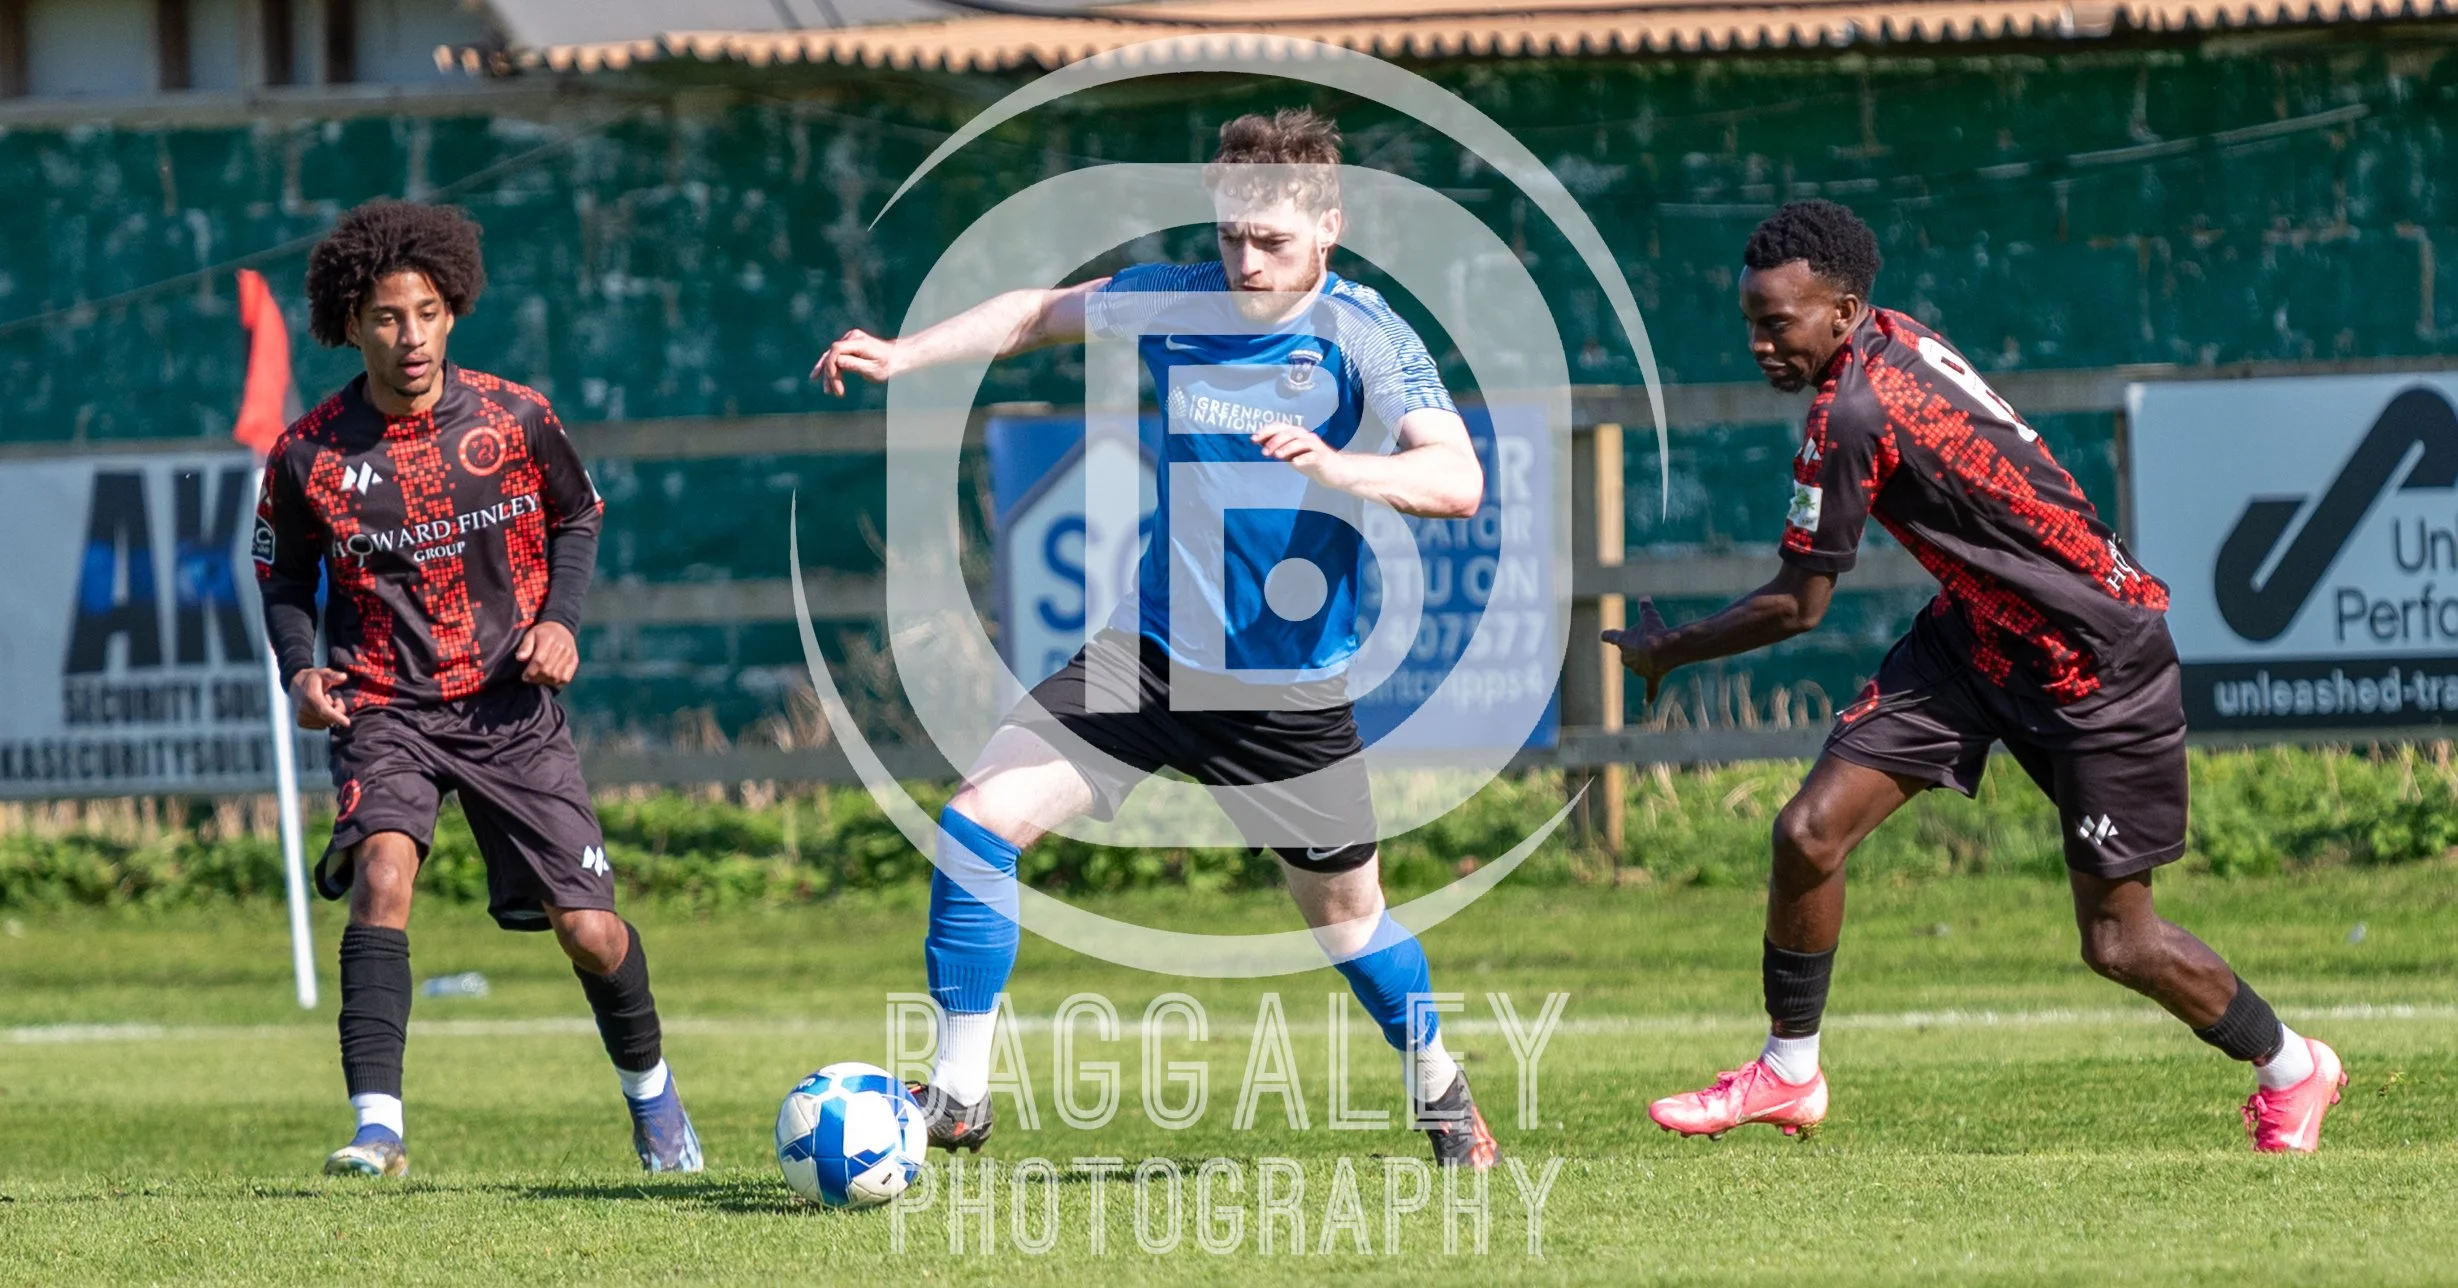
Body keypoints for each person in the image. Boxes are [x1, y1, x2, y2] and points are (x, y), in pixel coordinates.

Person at [814, 109, 1499, 1168]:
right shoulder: (1176, 299)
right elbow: (1034, 313)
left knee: (1349, 923)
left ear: (1329, 225)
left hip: (1284, 692)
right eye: (1229, 233)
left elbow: (1457, 481)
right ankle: (956, 1093)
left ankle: (1440, 1085)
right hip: (1147, 657)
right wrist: (907, 354)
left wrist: (1339, 468)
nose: (1243, 258)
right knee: (976, 824)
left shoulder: (1365, 334)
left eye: (1269, 239)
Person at [1610, 199, 2345, 1153]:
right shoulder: (1893, 337)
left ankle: (2294, 1066)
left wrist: (1674, 649)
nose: (1758, 343)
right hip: (1974, 642)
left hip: (2096, 663)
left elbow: (1801, 605)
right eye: (1750, 321)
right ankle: (1788, 1073)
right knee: (1808, 832)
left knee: (2120, 942)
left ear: (1840, 313)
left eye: (1775, 323)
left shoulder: (1848, 416)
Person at [255, 199, 701, 1178]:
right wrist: (299, 667)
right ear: (349, 322)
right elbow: (280, 572)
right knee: (382, 876)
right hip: (385, 707)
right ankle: (379, 1129)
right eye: (383, 316)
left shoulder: (516, 418)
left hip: (509, 710)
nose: (407, 336)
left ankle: (655, 1098)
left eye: (424, 311)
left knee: (588, 930)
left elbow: (578, 515)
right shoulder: (307, 453)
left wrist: (558, 623)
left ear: (452, 309)